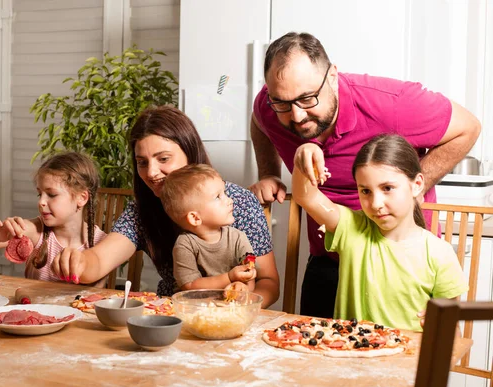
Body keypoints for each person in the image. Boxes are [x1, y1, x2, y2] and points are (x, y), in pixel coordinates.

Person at [249, 31, 481, 318]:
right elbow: (260, 122)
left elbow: (468, 126)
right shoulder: (270, 103)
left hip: (403, 258)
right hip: (331, 251)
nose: (296, 116)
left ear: (332, 77)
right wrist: (270, 172)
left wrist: (410, 189)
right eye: (283, 104)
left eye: (307, 99)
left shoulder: (395, 103)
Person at [50, 105, 280, 308]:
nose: (150, 173)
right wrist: (78, 262)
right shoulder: (142, 211)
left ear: (189, 154)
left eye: (163, 159)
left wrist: (241, 308)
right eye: (142, 162)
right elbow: (99, 260)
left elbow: (268, 282)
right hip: (171, 315)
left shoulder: (238, 202)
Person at [292, 134, 468, 331]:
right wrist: (303, 156)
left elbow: (451, 330)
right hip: (348, 354)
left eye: (387, 188)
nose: (375, 204)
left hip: (409, 358)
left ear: (417, 185)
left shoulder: (439, 253)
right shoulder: (352, 228)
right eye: (365, 191)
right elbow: (305, 196)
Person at [0, 152, 107, 285]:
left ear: (81, 198)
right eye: (39, 194)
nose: (41, 202)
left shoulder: (101, 243)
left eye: (51, 195)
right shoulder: (36, 231)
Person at [159, 163, 257, 292]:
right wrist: (229, 277)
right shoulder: (185, 244)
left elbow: (249, 273)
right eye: (218, 197)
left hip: (231, 308)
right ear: (195, 218)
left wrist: (243, 288)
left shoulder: (238, 237)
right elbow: (189, 286)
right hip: (194, 308)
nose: (229, 200)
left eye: (225, 193)